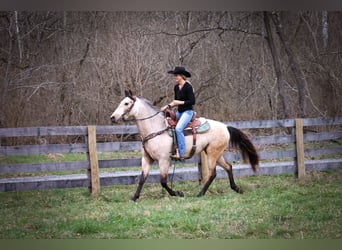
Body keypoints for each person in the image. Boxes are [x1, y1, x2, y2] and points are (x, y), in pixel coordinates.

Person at [161, 66, 196, 161]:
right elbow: (175, 101)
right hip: (180, 112)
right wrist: (167, 106)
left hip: (188, 112)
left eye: (176, 75)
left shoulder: (188, 87)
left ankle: (181, 153)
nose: (175, 77)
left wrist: (178, 103)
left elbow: (192, 101)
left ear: (182, 76)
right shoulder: (176, 87)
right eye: (174, 75)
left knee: (178, 129)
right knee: (168, 124)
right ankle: (173, 149)